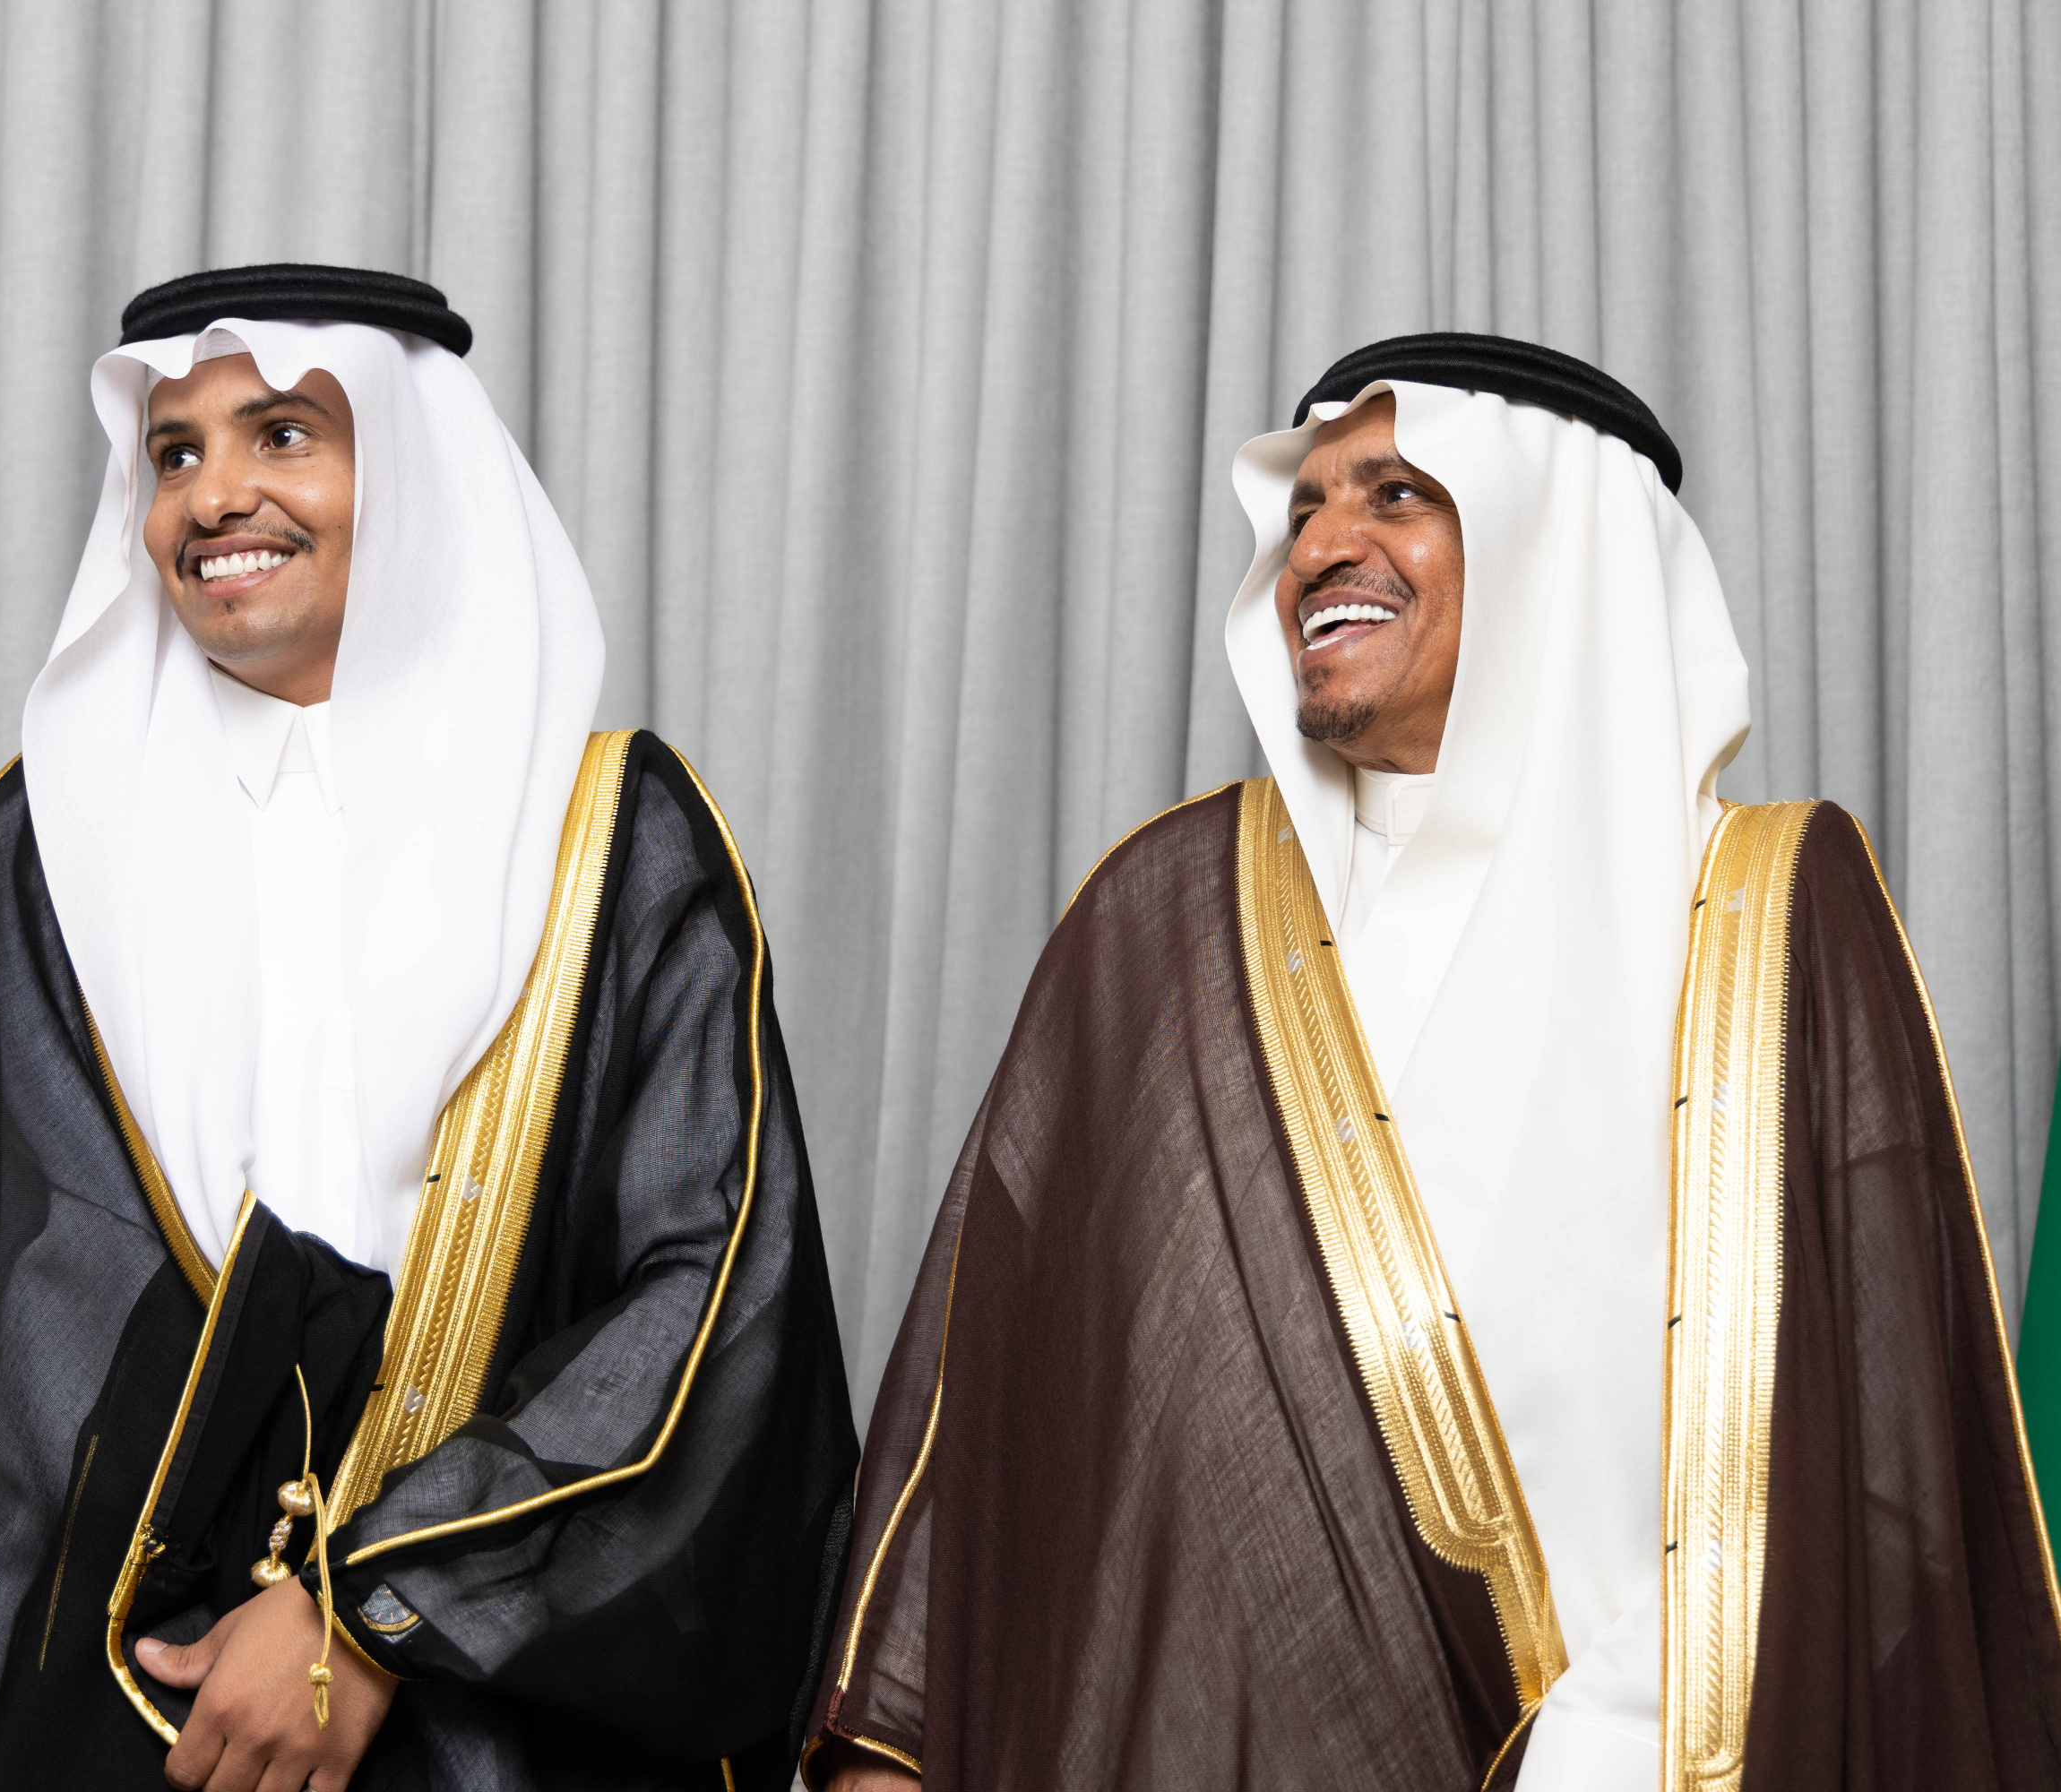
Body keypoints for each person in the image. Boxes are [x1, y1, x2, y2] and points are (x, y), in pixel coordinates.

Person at [0, 263, 858, 1792]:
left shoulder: (610, 840)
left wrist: (371, 1616)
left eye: (283, 435)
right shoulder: (41, 848)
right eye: (174, 453)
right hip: (84, 1720)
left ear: (408, 469)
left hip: (482, 1717)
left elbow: (713, 1300)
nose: (215, 495)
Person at [806, 332, 2061, 1789]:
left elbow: (1880, 1461)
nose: (1316, 552)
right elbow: (975, 1424)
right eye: (1303, 512)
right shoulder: (1162, 921)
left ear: (1555, 546)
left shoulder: (1770, 917)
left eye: (1396, 496)